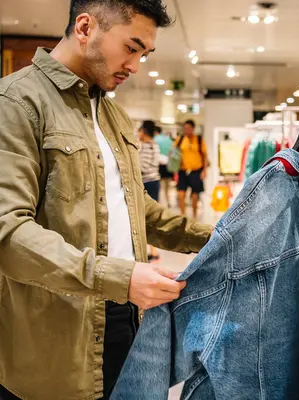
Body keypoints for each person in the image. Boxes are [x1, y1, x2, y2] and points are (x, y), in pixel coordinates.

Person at [0, 1, 213, 399]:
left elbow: (136, 210)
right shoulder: (16, 102)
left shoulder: (114, 116)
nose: (136, 66)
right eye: (131, 47)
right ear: (85, 27)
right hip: (53, 337)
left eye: (144, 54)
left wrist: (218, 236)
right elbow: (9, 234)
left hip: (125, 320)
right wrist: (118, 277)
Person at [175, 120, 210, 219]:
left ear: (193, 128)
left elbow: (205, 156)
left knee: (195, 195)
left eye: (188, 128)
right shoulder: (180, 139)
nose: (186, 130)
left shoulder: (199, 140)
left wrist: (204, 171)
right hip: (182, 170)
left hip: (196, 171)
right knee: (181, 194)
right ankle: (183, 216)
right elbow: (174, 153)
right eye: (185, 128)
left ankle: (194, 216)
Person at [138, 120, 162, 262]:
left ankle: (153, 251)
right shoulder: (155, 145)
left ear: (144, 131)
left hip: (147, 183)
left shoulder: (146, 147)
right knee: (150, 217)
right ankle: (152, 250)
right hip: (154, 182)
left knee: (145, 218)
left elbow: (143, 167)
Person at [153, 124, 174, 207]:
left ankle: (161, 203)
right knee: (167, 185)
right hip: (168, 164)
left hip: (159, 165)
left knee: (160, 185)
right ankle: (168, 201)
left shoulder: (155, 139)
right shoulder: (169, 140)